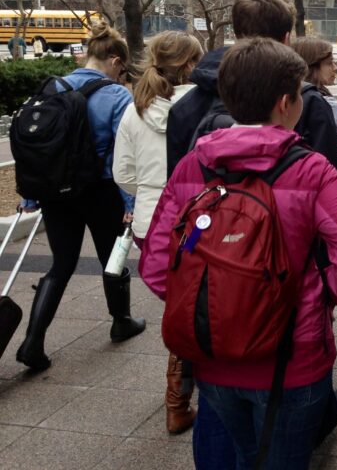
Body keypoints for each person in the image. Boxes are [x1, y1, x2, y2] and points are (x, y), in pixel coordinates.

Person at [140, 37, 337, 469]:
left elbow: (159, 265)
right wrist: (318, 294)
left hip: (212, 358)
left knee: (239, 453)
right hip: (293, 358)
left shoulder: (193, 166)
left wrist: (212, 305)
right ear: (287, 102)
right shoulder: (308, 169)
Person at [16, 21, 146, 372]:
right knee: (112, 259)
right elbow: (124, 154)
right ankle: (121, 321)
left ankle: (33, 341)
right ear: (116, 60)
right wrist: (130, 204)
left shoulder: (51, 87)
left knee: (61, 264)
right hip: (100, 190)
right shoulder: (117, 95)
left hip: (57, 191)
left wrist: (31, 196)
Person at [112, 30, 203, 434]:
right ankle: (179, 400)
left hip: (153, 222)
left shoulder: (134, 109)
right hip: (196, 220)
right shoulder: (201, 105)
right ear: (188, 66)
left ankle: (177, 399)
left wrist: (149, 193)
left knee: (178, 305)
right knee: (203, 301)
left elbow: (122, 174)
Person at [166, 0, 337, 178]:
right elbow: (332, 187)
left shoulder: (184, 108)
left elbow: (177, 191)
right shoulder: (304, 102)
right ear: (286, 39)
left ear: (236, 34)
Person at [292, 37, 337, 172]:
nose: (335, 67)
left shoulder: (279, 100)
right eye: (329, 63)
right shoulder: (329, 104)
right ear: (312, 66)